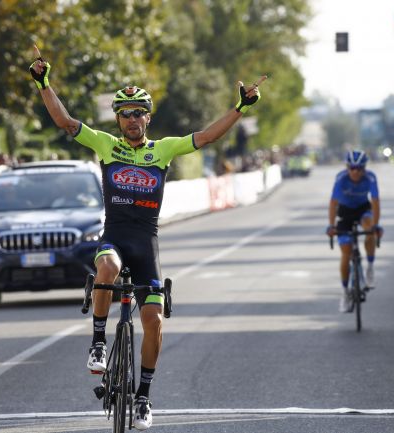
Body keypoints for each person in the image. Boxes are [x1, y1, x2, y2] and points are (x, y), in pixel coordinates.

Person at [30, 45, 264, 430]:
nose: (132, 119)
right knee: (106, 265)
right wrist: (43, 83)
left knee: (154, 320)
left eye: (139, 112)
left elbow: (206, 137)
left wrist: (239, 108)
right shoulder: (106, 144)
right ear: (118, 119)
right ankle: (99, 344)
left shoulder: (164, 149)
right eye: (125, 114)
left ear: (148, 117)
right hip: (116, 236)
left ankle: (143, 398)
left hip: (147, 243)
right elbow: (65, 121)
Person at [326, 150, 383, 313]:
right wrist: (331, 225)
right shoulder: (341, 179)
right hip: (345, 212)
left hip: (363, 209)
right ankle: (344, 293)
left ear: (364, 168)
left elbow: (376, 201)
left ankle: (370, 267)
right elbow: (333, 203)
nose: (355, 172)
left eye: (359, 168)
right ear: (347, 168)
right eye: (352, 168)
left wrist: (376, 225)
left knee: (370, 230)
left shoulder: (370, 178)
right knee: (346, 253)